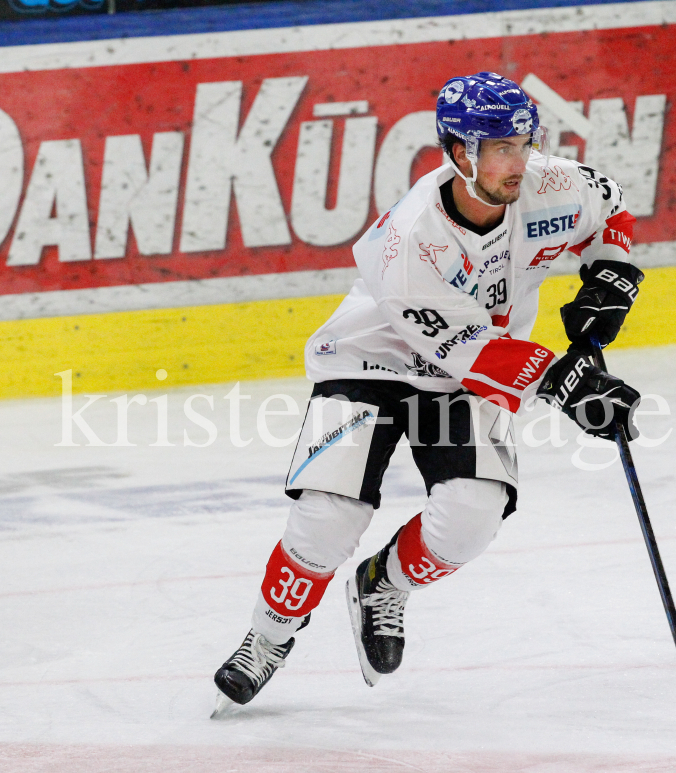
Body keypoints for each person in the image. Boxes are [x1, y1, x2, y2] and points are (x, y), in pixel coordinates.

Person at [213, 71, 646, 707]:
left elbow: (612, 210)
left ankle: (383, 584)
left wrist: (610, 280)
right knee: (327, 519)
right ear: (456, 151)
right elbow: (461, 348)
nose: (516, 161)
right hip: (371, 361)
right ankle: (268, 635)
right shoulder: (411, 238)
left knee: (471, 519)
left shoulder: (553, 182)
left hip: (470, 371)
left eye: (523, 142)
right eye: (498, 147)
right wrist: (563, 379)